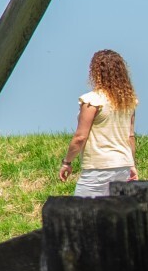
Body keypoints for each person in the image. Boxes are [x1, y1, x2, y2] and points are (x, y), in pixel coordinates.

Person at [59, 49, 138, 197]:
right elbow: (130, 136)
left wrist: (67, 162)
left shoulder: (92, 100)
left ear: (96, 72)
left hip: (98, 166)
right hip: (123, 165)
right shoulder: (128, 101)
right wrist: (132, 164)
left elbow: (80, 137)